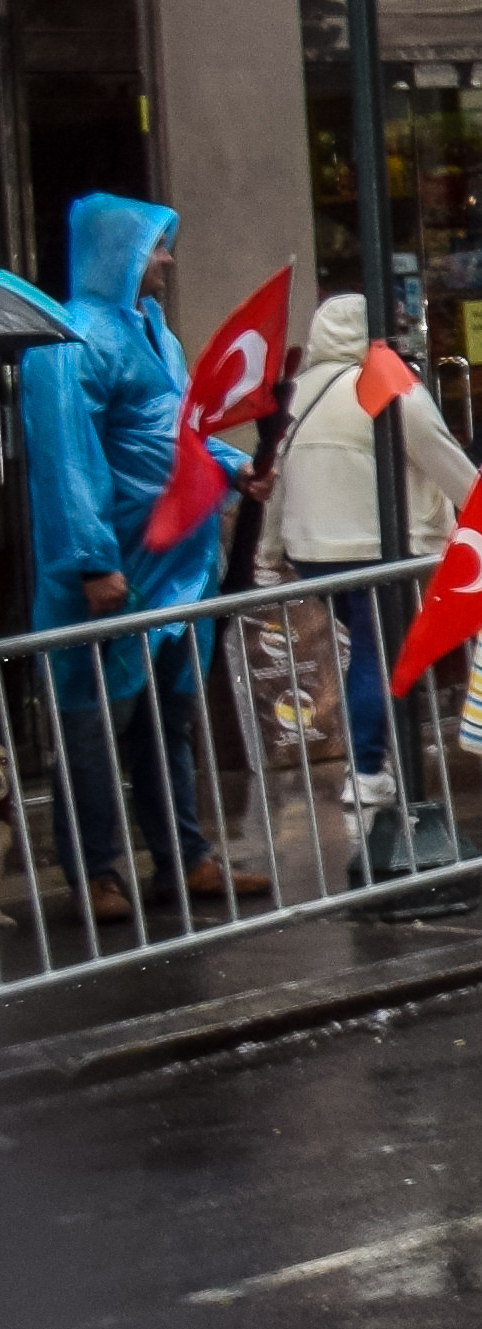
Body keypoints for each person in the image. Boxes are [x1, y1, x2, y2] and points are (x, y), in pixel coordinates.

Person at [18, 194, 248, 923]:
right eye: (157, 246)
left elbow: (177, 432)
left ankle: (184, 856)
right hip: (116, 577)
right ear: (122, 253)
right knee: (94, 728)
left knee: (166, 723)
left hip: (173, 573)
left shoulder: (158, 335)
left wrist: (237, 468)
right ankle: (94, 872)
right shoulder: (70, 341)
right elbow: (65, 461)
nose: (168, 260)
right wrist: (91, 561)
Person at [249, 289, 482, 812]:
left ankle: (375, 759)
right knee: (378, 657)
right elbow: (441, 455)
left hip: (312, 552)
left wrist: (267, 555)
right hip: (380, 548)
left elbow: (274, 478)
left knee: (368, 653)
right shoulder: (384, 382)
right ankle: (369, 769)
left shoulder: (298, 392)